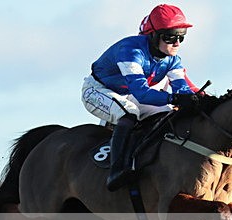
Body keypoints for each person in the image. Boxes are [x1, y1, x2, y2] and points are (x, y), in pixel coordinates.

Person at [81, 4, 201, 191]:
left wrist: (197, 100)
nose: (177, 43)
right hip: (99, 91)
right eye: (170, 37)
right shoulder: (131, 50)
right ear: (153, 36)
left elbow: (183, 90)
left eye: (181, 37)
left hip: (131, 94)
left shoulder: (172, 59)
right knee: (129, 115)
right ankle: (117, 170)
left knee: (168, 116)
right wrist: (174, 99)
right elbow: (142, 93)